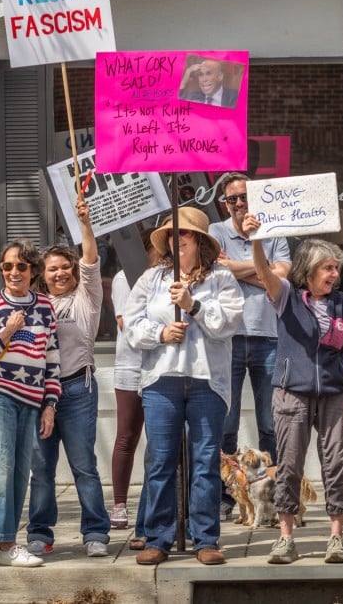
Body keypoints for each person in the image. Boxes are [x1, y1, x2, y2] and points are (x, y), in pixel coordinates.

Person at [124, 207, 243, 566]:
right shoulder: (151, 279)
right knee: (161, 460)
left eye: (184, 235)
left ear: (200, 242)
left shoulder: (222, 279)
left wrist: (192, 305)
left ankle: (205, 537)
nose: (177, 241)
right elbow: (131, 325)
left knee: (205, 460)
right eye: (172, 236)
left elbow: (226, 325)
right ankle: (159, 536)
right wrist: (160, 333)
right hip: (163, 380)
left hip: (208, 380)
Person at [239, 216, 343, 565]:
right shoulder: (287, 296)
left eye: (336, 268)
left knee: (336, 463)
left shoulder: (342, 303)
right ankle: (285, 539)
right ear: (309, 270)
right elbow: (263, 272)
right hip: (292, 391)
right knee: (289, 466)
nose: (334, 274)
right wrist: (258, 238)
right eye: (327, 268)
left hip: (336, 392)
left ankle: (336, 538)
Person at [26, 198, 111, 559]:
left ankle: (95, 532)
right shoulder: (33, 304)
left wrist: (85, 224)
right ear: (41, 276)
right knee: (41, 469)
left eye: (65, 268)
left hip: (77, 388)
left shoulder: (85, 298)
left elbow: (91, 261)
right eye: (52, 269)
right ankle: (40, 534)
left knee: (84, 466)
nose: (60, 273)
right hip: (38, 394)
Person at [0, 239, 58, 567]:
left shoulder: (46, 307)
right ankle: (3, 543)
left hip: (31, 400)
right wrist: (6, 332)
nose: (13, 272)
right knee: (0, 467)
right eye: (7, 266)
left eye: (21, 265)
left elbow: (52, 360)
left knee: (21, 472)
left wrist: (50, 404)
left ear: (32, 270)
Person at [209, 172, 291, 518]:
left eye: (244, 197)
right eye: (232, 199)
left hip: (268, 337)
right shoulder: (215, 233)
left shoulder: (273, 231)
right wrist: (263, 271)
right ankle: (226, 498)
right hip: (227, 339)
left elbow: (283, 276)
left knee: (270, 423)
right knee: (224, 423)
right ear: (223, 203)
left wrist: (235, 267)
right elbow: (216, 271)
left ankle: (272, 496)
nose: (240, 204)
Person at [109, 230, 160, 536]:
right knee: (126, 437)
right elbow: (125, 323)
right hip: (130, 366)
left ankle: (151, 506)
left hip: (161, 368)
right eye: (155, 249)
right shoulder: (121, 278)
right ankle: (118, 504)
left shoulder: (167, 277)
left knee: (159, 444)